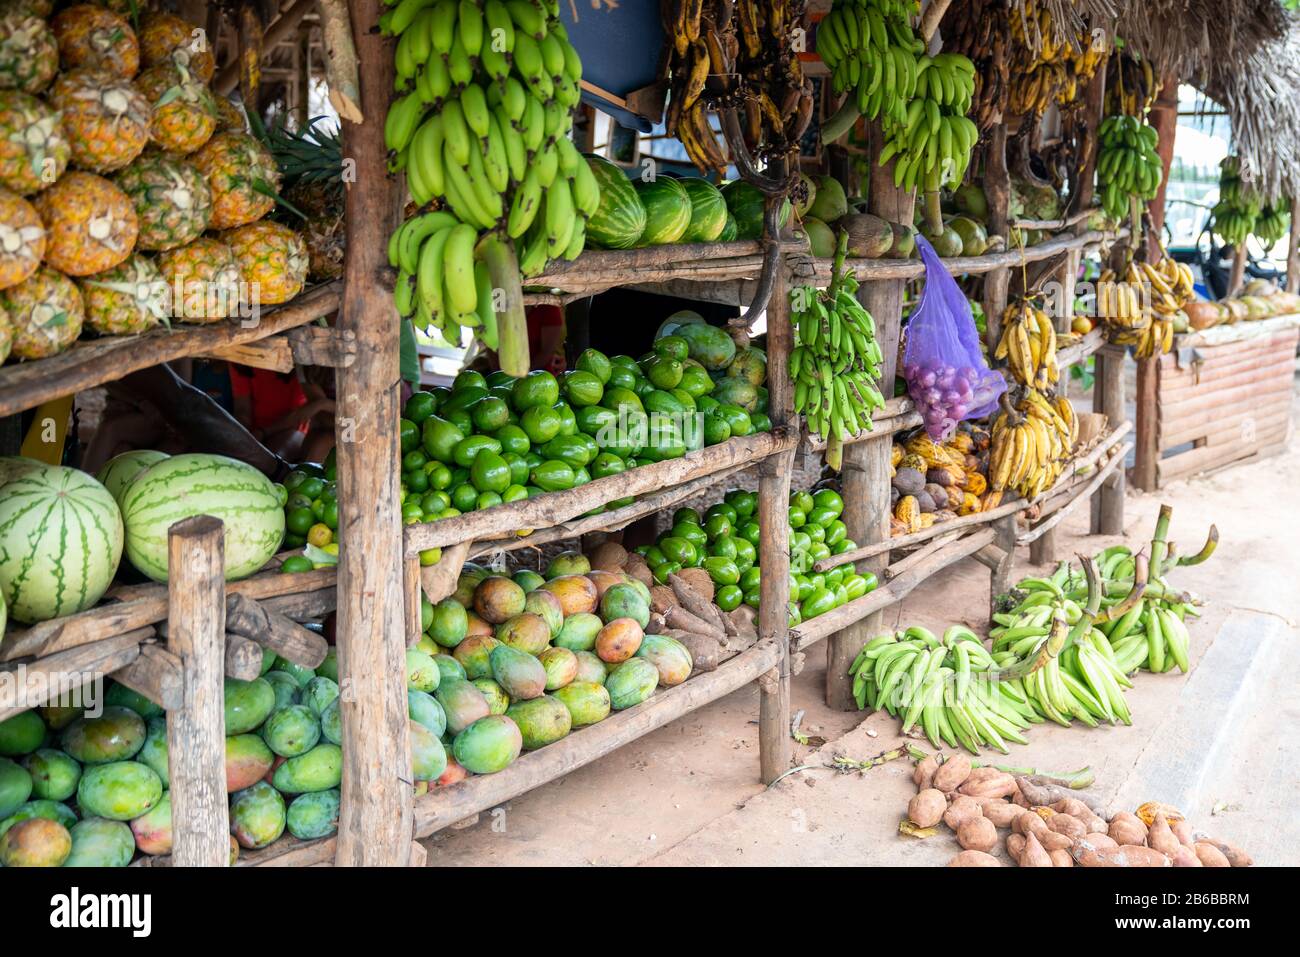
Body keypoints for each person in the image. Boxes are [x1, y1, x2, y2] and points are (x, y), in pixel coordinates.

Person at [229, 364, 335, 462]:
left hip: (291, 426)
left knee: (274, 458)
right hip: (258, 430)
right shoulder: (241, 361)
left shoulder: (295, 362)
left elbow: (306, 414)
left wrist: (263, 432)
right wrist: (242, 437)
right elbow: (242, 411)